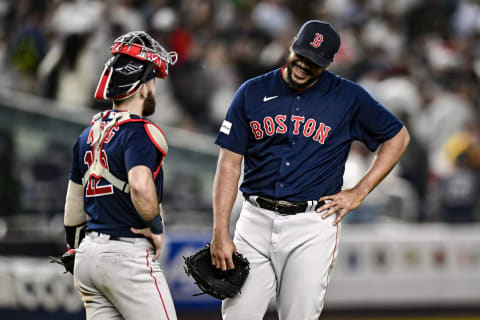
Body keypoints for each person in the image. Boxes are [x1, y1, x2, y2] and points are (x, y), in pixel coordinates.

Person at [210, 20, 410, 320]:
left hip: (311, 224)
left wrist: (360, 191)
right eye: (300, 55)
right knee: (237, 315)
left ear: (328, 63)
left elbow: (398, 137)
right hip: (254, 220)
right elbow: (228, 163)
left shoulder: (348, 97)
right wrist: (220, 231)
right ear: (292, 44)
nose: (303, 65)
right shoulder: (252, 91)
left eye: (313, 62)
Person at [62, 31, 178, 319]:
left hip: (88, 257)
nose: (154, 90)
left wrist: (75, 249)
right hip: (126, 256)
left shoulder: (87, 134)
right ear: (141, 87)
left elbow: (73, 209)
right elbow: (139, 186)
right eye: (153, 82)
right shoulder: (140, 130)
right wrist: (155, 226)